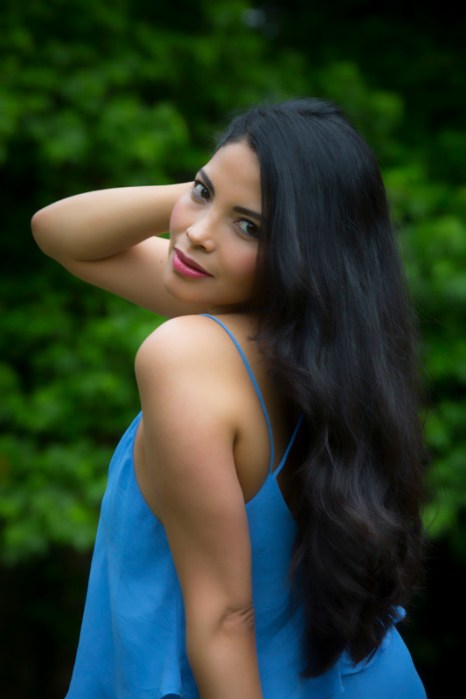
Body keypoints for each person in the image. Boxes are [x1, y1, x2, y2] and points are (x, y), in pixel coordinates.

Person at [31, 97, 428, 698]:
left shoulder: (188, 355)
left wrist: (221, 191)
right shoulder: (331, 351)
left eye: (250, 227)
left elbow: (225, 620)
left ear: (304, 253)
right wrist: (228, 193)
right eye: (200, 192)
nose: (196, 234)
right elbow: (58, 231)